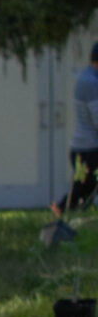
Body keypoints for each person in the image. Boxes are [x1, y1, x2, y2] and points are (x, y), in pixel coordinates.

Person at [59, 42, 98, 217]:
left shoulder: (87, 78)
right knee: (84, 187)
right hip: (88, 149)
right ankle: (62, 210)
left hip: (84, 149)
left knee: (85, 187)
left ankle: (64, 210)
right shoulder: (90, 82)